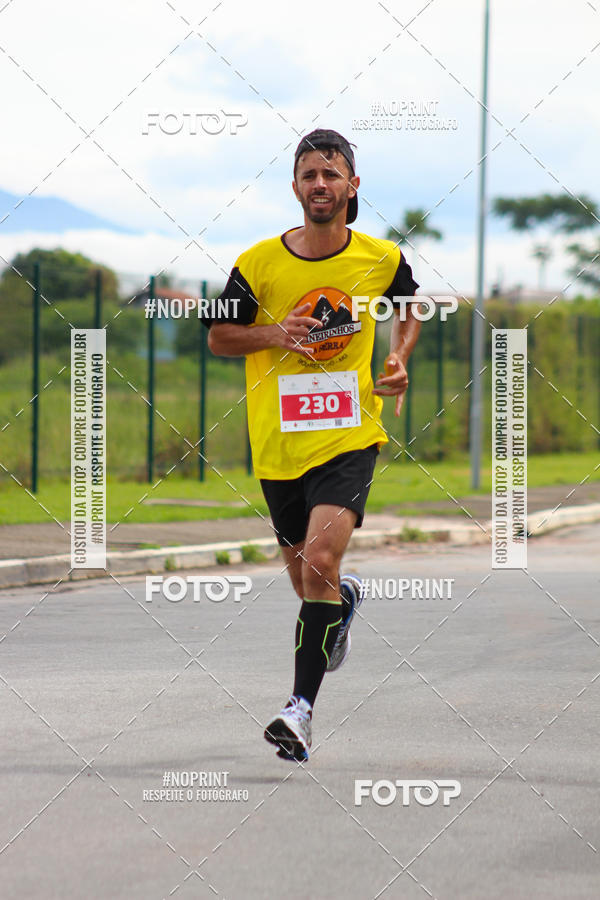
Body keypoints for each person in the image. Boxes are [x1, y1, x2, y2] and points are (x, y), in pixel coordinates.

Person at [205, 128, 421, 761]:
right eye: (309, 174)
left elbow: (408, 305)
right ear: (295, 187)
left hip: (349, 434)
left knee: (321, 562)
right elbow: (221, 338)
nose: (320, 185)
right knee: (309, 583)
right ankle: (343, 603)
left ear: (353, 186)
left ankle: (298, 712)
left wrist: (399, 356)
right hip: (278, 444)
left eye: (332, 174)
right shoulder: (258, 263)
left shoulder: (380, 258)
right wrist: (274, 332)